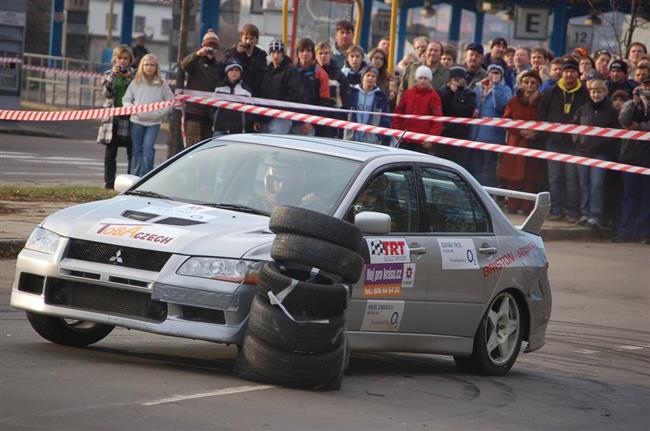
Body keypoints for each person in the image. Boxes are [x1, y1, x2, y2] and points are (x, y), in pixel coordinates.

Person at [537, 58, 590, 222]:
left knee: (572, 179)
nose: (569, 75)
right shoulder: (551, 91)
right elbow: (542, 114)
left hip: (574, 144)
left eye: (572, 71)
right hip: (553, 142)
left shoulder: (585, 93)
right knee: (554, 177)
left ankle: (573, 211)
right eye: (566, 71)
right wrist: (546, 135)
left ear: (578, 74)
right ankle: (556, 209)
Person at [572, 79, 621, 229]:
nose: (596, 94)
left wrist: (605, 145)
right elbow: (574, 126)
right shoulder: (583, 108)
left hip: (601, 154)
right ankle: (585, 213)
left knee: (596, 185)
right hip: (582, 151)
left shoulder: (612, 111)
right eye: (593, 91)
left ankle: (596, 215)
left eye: (599, 91)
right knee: (583, 185)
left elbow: (616, 132)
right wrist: (577, 141)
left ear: (605, 93)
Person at [499, 69, 545, 214]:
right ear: (521, 84)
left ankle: (527, 207)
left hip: (534, 144)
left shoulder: (542, 102)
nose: (529, 85)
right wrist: (519, 131)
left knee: (530, 177)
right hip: (516, 143)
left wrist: (538, 133)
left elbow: (547, 120)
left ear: (538, 85)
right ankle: (512, 205)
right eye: (526, 82)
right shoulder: (513, 101)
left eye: (533, 83)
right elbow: (506, 120)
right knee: (513, 176)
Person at [122, 54, 174, 177]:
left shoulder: (162, 84)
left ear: (156, 67)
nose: (149, 67)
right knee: (136, 149)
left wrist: (160, 113)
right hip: (136, 121)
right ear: (142, 66)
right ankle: (135, 177)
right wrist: (132, 109)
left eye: (152, 65)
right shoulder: (136, 82)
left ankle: (145, 177)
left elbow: (170, 100)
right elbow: (126, 99)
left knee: (148, 148)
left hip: (154, 123)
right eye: (146, 65)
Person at [614, 77, 650, 243]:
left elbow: (640, 127)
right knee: (629, 195)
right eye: (644, 85)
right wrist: (634, 102)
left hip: (647, 159)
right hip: (630, 156)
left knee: (646, 197)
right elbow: (623, 121)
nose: (646, 89)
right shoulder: (631, 103)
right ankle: (625, 231)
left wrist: (641, 127)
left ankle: (643, 232)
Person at [97, 45, 134, 189]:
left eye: (125, 58)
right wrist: (113, 75)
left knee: (132, 152)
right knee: (110, 153)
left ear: (130, 60)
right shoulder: (107, 74)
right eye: (119, 58)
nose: (122, 61)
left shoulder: (135, 75)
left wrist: (128, 77)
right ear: (115, 59)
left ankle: (132, 183)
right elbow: (106, 94)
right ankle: (109, 182)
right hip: (113, 119)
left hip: (129, 118)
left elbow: (137, 92)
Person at [181, 29, 224, 146]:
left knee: (204, 148)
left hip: (209, 115)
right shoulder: (196, 63)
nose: (211, 49)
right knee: (192, 147)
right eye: (208, 46)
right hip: (194, 113)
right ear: (203, 47)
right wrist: (197, 54)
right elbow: (184, 64)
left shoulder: (218, 67)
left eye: (214, 47)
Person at [471, 64, 512, 186]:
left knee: (489, 167)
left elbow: (501, 106)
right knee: (476, 166)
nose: (494, 75)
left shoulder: (505, 89)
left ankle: (488, 193)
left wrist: (496, 87)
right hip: (476, 134)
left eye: (497, 73)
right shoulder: (478, 88)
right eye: (492, 72)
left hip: (493, 136)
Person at [392, 66, 443, 153]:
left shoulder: (434, 97)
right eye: (420, 78)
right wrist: (397, 131)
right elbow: (398, 113)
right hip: (405, 139)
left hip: (422, 143)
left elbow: (437, 120)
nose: (423, 81)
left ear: (430, 80)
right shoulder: (407, 94)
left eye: (426, 78)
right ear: (416, 79)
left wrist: (431, 138)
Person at [258, 40, 302, 134]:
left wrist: (278, 110)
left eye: (278, 52)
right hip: (265, 116)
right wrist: (259, 118)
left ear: (283, 54)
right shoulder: (266, 71)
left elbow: (293, 95)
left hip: (282, 116)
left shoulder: (291, 71)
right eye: (273, 52)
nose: (276, 55)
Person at [436, 66, 477, 165]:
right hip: (444, 135)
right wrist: (450, 92)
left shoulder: (469, 93)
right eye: (462, 78)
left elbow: (467, 111)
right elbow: (441, 109)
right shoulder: (442, 92)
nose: (464, 80)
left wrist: (454, 105)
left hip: (461, 136)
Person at [293, 38, 332, 136]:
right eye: (302, 51)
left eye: (308, 51)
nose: (305, 54)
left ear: (313, 54)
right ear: (297, 53)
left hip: (309, 123)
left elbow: (324, 103)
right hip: (289, 118)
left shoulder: (321, 74)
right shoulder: (291, 71)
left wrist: (311, 123)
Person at [344, 66, 390, 145]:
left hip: (371, 141)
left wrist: (378, 137)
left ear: (376, 79)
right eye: (368, 75)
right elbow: (344, 114)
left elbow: (385, 119)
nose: (370, 78)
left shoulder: (381, 97)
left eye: (373, 76)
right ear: (362, 78)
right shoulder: (352, 93)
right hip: (351, 137)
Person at [211, 58, 254, 136]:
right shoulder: (219, 88)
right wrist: (215, 118)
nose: (234, 73)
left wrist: (244, 123)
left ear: (241, 73)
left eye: (237, 70)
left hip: (238, 131)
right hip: (219, 129)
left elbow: (251, 111)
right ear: (227, 72)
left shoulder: (246, 91)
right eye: (231, 70)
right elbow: (211, 107)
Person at [315, 40, 349, 137]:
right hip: (313, 118)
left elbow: (344, 101)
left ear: (331, 55)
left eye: (326, 53)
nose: (323, 56)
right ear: (316, 55)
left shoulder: (340, 76)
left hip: (331, 120)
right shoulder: (311, 73)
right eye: (320, 53)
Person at [224, 24, 267, 96]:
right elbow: (225, 68)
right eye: (246, 38)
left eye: (251, 39)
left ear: (256, 39)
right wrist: (236, 53)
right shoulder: (233, 52)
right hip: (237, 93)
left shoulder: (261, 55)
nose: (248, 41)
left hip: (255, 93)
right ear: (241, 38)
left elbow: (263, 75)